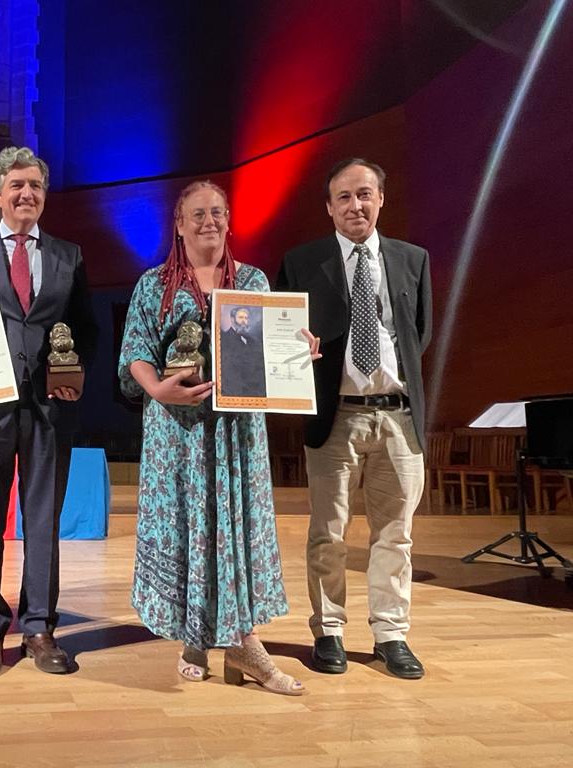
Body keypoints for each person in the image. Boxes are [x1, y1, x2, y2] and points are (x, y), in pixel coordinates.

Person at [119, 180, 318, 695]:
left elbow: (272, 350)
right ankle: (194, 636)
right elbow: (134, 352)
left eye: (218, 213)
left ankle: (244, 643)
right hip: (175, 433)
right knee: (189, 527)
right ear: (180, 224)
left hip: (235, 434)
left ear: (229, 220)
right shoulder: (154, 283)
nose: (209, 221)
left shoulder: (251, 280)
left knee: (233, 528)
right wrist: (159, 391)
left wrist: (300, 353)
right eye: (197, 214)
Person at [0, 146, 98, 677]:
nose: (26, 194)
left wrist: (74, 378)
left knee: (44, 525)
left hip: (51, 412)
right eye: (16, 186)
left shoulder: (69, 254)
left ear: (44, 195)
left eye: (35, 186)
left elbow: (85, 331)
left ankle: (39, 627)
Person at [276, 158, 432, 680]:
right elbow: (281, 339)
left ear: (381, 199)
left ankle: (391, 634)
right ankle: (330, 631)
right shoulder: (302, 263)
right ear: (329, 207)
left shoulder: (414, 259)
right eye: (343, 197)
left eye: (364, 194)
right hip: (335, 417)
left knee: (396, 535)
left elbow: (419, 334)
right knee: (328, 533)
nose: (355, 205)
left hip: (398, 418)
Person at [220, 306, 266, 397]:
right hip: (233, 392)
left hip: (253, 391)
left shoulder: (253, 341)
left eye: (246, 318)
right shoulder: (224, 338)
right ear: (232, 319)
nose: (244, 321)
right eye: (240, 317)